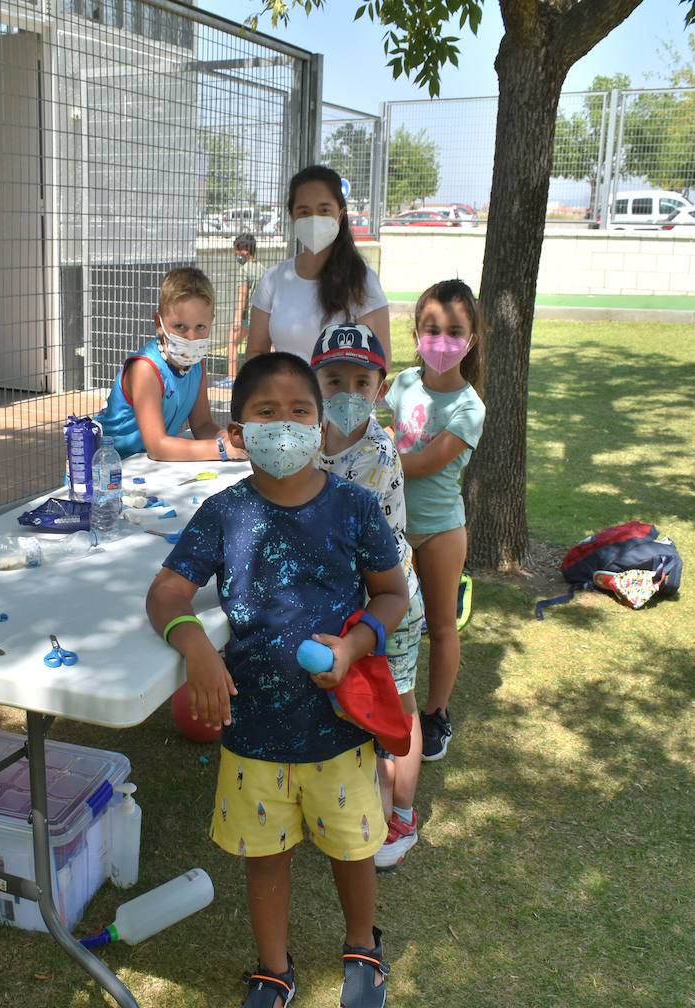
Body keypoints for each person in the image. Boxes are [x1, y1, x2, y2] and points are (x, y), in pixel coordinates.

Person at [146, 352, 408, 1008]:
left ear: (321, 429)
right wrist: (196, 648)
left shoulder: (354, 507)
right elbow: (166, 594)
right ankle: (273, 968)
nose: (284, 425)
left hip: (339, 729)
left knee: (353, 850)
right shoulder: (223, 514)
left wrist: (353, 645)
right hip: (253, 734)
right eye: (267, 413)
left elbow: (392, 594)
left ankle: (362, 945)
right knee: (265, 858)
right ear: (238, 432)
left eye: (300, 412)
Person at [310, 322, 425, 871]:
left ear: (381, 389)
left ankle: (401, 812)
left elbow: (351, 537)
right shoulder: (310, 437)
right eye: (334, 380)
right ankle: (366, 804)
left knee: (398, 705)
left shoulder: (379, 453)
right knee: (361, 704)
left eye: (362, 382)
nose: (348, 395)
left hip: (390, 598)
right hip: (348, 600)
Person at [385, 280, 485, 763]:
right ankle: (387, 702)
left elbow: (425, 461)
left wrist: (368, 459)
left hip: (443, 529)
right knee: (392, 618)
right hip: (395, 525)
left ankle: (436, 713)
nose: (441, 341)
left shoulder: (470, 407)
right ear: (416, 332)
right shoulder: (403, 384)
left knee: (441, 626)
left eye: (454, 331)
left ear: (472, 339)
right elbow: (383, 425)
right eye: (432, 329)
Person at [245, 165, 390, 367]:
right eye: (304, 211)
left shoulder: (363, 281)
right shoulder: (273, 279)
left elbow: (380, 363)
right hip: (287, 397)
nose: (314, 218)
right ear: (292, 216)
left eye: (324, 210)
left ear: (340, 214)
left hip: (343, 399)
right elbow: (255, 352)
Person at [95, 266, 244, 461]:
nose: (191, 338)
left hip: (147, 471)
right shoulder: (145, 369)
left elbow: (202, 425)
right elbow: (157, 447)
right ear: (159, 323)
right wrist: (221, 450)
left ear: (211, 322)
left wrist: (227, 439)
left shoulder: (197, 365)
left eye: (200, 327)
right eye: (180, 326)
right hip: (108, 474)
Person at [228, 233, 265, 379]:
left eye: (236, 250)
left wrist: (237, 319)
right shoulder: (262, 268)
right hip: (260, 317)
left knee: (232, 341)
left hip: (247, 317)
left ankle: (231, 378)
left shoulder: (244, 270)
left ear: (244, 250)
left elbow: (242, 296)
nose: (235, 254)